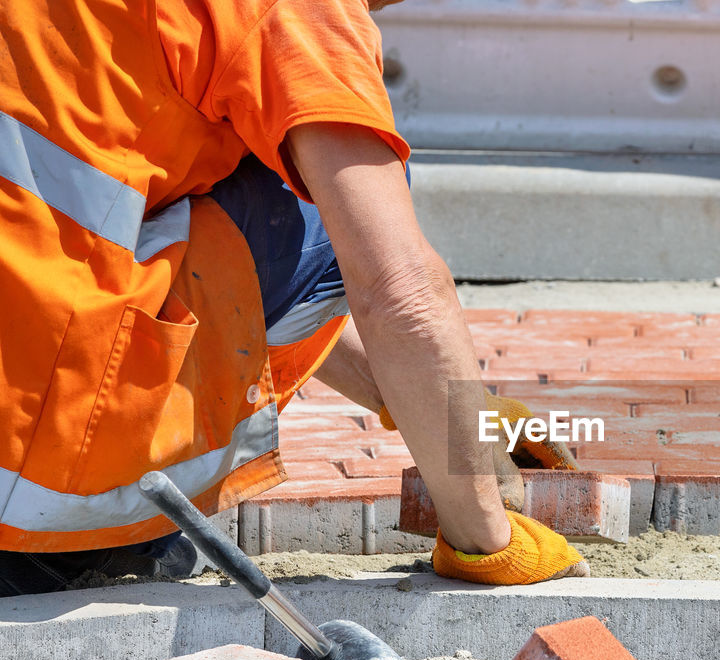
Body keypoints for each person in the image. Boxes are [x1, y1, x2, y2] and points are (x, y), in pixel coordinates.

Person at [0, 0, 586, 596]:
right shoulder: (299, 11)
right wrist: (486, 539)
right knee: (334, 206)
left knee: (247, 179)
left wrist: (456, 414)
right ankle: (84, 533)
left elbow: (238, 274)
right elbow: (398, 288)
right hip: (27, 459)